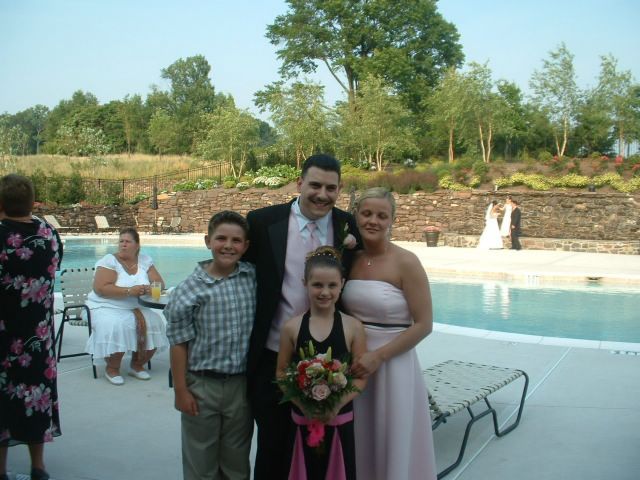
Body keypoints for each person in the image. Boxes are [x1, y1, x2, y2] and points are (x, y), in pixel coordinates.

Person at [244, 153, 360, 479]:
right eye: (315, 185)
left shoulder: (347, 225)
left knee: (320, 452)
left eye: (331, 188)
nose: (322, 195)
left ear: (339, 190)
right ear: (299, 183)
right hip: (272, 356)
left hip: (330, 360)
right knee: (272, 448)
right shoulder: (262, 222)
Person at [341, 187, 437, 480]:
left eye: (381, 216)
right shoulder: (349, 259)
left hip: (393, 365)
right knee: (360, 439)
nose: (373, 221)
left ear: (392, 220)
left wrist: (379, 357)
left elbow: (424, 324)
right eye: (367, 213)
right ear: (356, 215)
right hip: (355, 364)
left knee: (391, 437)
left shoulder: (406, 262)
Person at [165, 211, 256, 480]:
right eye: (221, 238)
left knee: (237, 462)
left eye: (236, 240)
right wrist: (181, 390)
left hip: (240, 386)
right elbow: (178, 343)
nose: (228, 245)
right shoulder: (188, 290)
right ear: (208, 241)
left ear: (246, 246)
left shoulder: (252, 278)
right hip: (202, 385)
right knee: (200, 461)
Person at [276, 247, 367, 480]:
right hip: (302, 423)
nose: (325, 292)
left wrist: (336, 406)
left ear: (342, 284)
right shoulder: (292, 327)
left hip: (339, 423)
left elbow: (360, 377)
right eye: (317, 285)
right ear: (304, 283)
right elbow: (281, 373)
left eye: (332, 285)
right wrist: (304, 405)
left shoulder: (353, 327)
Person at [0, 174, 62, 480]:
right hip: (38, 338)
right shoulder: (49, 234)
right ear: (31, 202)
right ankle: (38, 467)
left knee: (3, 401)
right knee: (36, 399)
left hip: (4, 339)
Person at [84, 227, 169, 385]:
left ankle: (137, 365)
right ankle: (112, 368)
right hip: (105, 306)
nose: (123, 244)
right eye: (121, 241)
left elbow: (160, 284)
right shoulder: (109, 261)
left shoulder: (145, 260)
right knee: (118, 325)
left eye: (128, 241)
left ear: (137, 245)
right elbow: (100, 289)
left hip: (135, 307)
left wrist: (150, 289)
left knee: (155, 322)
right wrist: (130, 291)